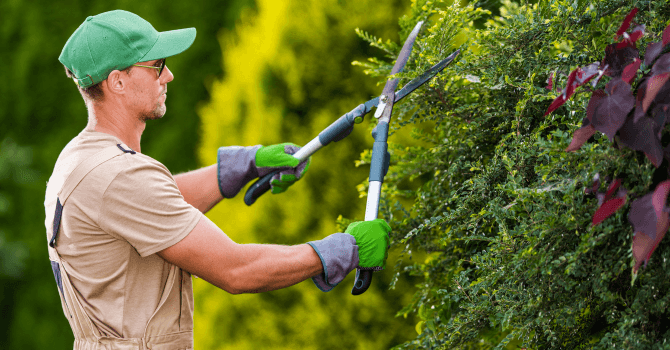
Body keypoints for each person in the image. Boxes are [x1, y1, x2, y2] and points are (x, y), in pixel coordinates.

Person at [44, 9, 391, 349]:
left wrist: (244, 166)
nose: (168, 76)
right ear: (117, 81)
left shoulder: (82, 159)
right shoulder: (118, 175)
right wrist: (344, 250)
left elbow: (155, 205)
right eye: (156, 66)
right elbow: (237, 270)